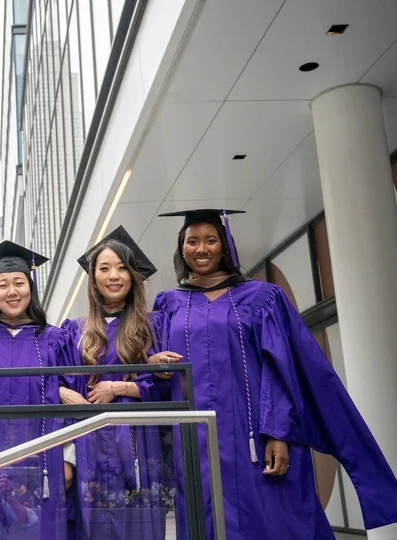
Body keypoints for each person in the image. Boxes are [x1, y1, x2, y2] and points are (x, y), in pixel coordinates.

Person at [153, 209, 397, 540]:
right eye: (192, 241)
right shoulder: (169, 304)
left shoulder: (262, 297)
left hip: (256, 436)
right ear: (181, 248)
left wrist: (279, 432)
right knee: (206, 520)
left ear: (224, 246)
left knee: (273, 519)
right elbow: (154, 370)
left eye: (211, 240)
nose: (201, 249)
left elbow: (282, 369)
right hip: (197, 443)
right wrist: (154, 364)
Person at [61, 226, 172, 540]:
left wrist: (119, 388)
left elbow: (167, 386)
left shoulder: (153, 324)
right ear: (93, 277)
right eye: (105, 268)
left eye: (123, 268)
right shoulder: (75, 330)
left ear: (134, 276)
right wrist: (63, 391)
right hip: (89, 442)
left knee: (140, 522)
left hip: (139, 440)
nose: (114, 275)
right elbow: (57, 379)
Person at [0, 241, 75, 539]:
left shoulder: (55, 339)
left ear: (31, 288)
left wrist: (68, 459)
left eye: (19, 283)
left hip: (43, 461)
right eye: (3, 285)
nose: (12, 292)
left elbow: (73, 402)